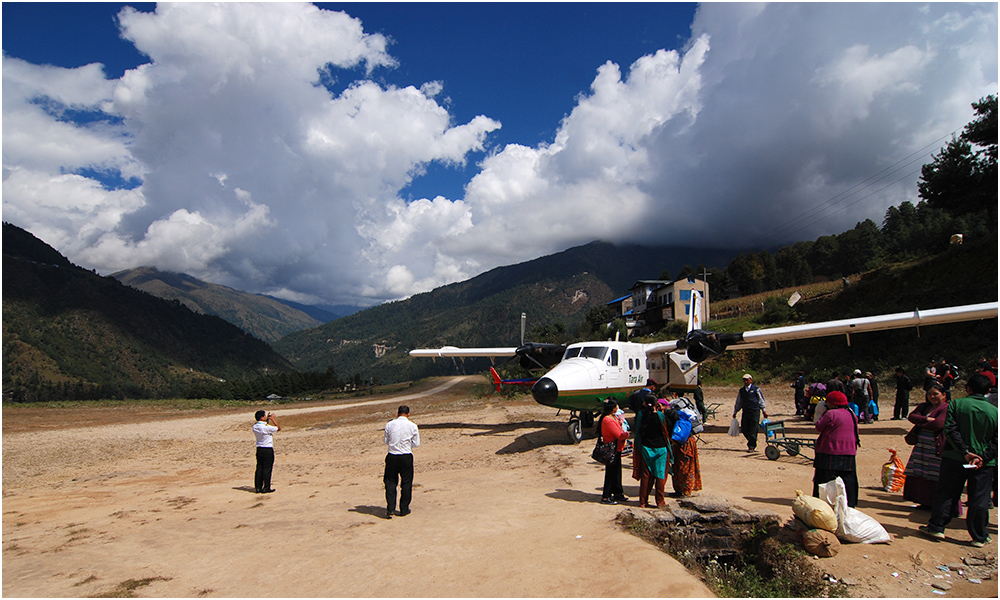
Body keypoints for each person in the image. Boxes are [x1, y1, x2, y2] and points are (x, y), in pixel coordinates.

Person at [919, 374, 998, 547]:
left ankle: (937, 526)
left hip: (955, 458)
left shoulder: (956, 404)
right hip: (983, 464)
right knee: (979, 498)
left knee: (947, 492)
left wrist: (965, 452)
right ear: (988, 391)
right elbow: (996, 440)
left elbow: (950, 430)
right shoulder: (995, 412)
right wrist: (983, 457)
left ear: (967, 388)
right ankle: (979, 536)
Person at [902, 384, 950, 508]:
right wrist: (926, 420)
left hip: (936, 446)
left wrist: (921, 423)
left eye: (936, 394)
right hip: (921, 445)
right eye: (929, 394)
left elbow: (938, 424)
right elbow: (912, 416)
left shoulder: (946, 408)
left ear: (943, 395)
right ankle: (924, 501)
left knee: (934, 474)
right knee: (921, 472)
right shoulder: (925, 406)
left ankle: (936, 503)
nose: (932, 396)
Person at [813, 391, 860, 507]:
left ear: (832, 403)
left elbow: (819, 427)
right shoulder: (851, 413)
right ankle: (850, 505)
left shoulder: (830, 414)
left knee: (824, 480)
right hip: (849, 452)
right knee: (848, 481)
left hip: (829, 451)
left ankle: (822, 504)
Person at [631, 396, 675, 508]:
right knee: (660, 474)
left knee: (646, 475)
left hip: (646, 447)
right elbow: (669, 427)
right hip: (661, 448)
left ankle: (643, 501)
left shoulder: (641, 415)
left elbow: (638, 431)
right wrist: (663, 410)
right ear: (656, 404)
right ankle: (660, 501)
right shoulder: (660, 416)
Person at [383, 405, 420, 519]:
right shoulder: (412, 425)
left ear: (397, 413)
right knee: (407, 483)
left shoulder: (389, 424)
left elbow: (386, 441)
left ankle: (391, 507)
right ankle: (404, 508)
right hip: (406, 456)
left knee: (390, 482)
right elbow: (416, 443)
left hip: (392, 455)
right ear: (408, 414)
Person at [598, 399, 629, 505]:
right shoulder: (608, 420)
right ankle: (606, 496)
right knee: (611, 473)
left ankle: (617, 493)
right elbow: (619, 434)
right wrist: (626, 434)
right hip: (612, 449)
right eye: (616, 406)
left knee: (616, 472)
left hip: (617, 449)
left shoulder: (613, 417)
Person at [670, 398, 703, 497]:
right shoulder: (685, 414)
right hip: (687, 442)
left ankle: (685, 490)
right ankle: (683, 490)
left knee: (683, 466)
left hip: (682, 444)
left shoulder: (675, 415)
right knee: (684, 466)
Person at [733, 374, 767, 452]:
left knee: (753, 428)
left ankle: (751, 445)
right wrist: (735, 411)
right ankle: (752, 440)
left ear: (750, 380)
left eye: (746, 380)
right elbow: (739, 402)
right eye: (744, 380)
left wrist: (764, 410)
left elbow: (761, 400)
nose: (745, 381)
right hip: (745, 411)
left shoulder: (756, 389)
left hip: (755, 411)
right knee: (744, 429)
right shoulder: (741, 391)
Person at [253, 410, 280, 494]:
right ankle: (266, 487)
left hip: (259, 448)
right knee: (267, 468)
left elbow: (265, 427)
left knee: (259, 468)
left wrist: (267, 420)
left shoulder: (255, 426)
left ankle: (258, 487)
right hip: (267, 448)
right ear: (262, 417)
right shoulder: (266, 427)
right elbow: (278, 428)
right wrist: (273, 419)